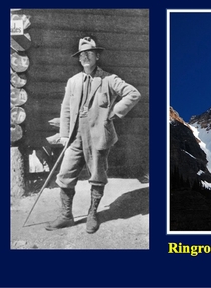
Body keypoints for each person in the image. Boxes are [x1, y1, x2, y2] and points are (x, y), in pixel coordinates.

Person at [45, 36, 141, 233]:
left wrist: (113, 113)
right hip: (75, 137)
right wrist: (64, 134)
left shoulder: (109, 79)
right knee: (64, 175)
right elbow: (65, 109)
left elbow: (133, 94)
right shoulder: (73, 81)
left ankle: (92, 214)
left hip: (98, 137)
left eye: (89, 53)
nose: (85, 57)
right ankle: (66, 215)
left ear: (97, 56)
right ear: (79, 59)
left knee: (97, 177)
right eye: (82, 54)